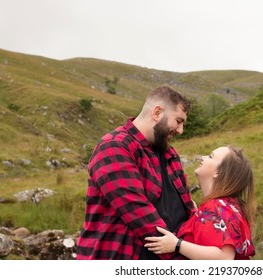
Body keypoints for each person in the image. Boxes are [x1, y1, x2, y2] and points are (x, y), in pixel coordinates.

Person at [76, 85, 196, 260]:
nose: (180, 130)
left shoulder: (170, 154)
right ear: (157, 113)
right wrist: (184, 255)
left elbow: (186, 208)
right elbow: (138, 214)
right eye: (178, 121)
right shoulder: (115, 147)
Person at [145, 146, 256, 260]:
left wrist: (177, 245)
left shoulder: (215, 208)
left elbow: (225, 258)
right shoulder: (226, 206)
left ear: (219, 172)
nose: (202, 158)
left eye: (210, 156)